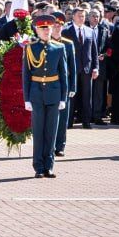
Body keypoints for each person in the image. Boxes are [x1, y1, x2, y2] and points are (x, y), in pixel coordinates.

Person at [22, 13, 68, 178]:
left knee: (51, 132)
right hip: (36, 94)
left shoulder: (59, 47)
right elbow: (26, 75)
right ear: (36, 29)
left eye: (48, 27)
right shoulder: (30, 48)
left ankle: (49, 166)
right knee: (39, 132)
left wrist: (63, 97)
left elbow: (64, 74)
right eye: (43, 28)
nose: (46, 30)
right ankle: (38, 167)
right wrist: (26, 98)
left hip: (54, 93)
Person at [64, 6, 99, 129]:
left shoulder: (90, 31)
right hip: (71, 69)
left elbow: (94, 51)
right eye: (79, 16)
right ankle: (68, 122)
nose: (81, 18)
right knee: (71, 95)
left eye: (83, 16)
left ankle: (86, 121)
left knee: (86, 96)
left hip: (87, 68)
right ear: (73, 16)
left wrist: (96, 67)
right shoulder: (66, 31)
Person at [50, 11, 76, 157]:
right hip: (49, 83)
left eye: (60, 24)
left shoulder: (68, 44)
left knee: (63, 117)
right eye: (55, 25)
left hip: (63, 84)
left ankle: (60, 146)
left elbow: (72, 67)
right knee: (51, 117)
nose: (57, 27)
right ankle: (50, 145)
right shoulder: (45, 43)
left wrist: (73, 86)